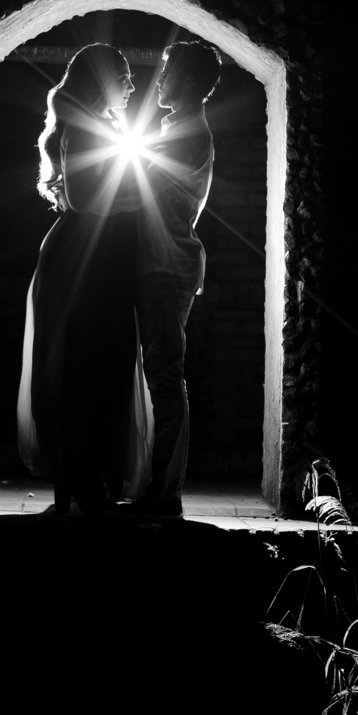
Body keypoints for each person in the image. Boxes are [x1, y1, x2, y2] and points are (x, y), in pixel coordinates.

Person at [16, 43, 149, 517]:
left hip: (101, 255)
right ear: (101, 80)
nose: (132, 85)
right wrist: (143, 197)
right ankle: (81, 477)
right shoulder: (83, 126)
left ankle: (86, 476)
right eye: (124, 76)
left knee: (102, 364)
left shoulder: (100, 124)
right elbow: (83, 196)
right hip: (83, 258)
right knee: (85, 366)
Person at [120, 39, 221, 519]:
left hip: (166, 264)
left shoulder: (186, 135)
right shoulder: (177, 130)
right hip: (161, 263)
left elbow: (137, 187)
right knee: (160, 375)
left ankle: (165, 494)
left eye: (168, 73)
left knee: (164, 377)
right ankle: (156, 487)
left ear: (190, 81)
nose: (159, 81)